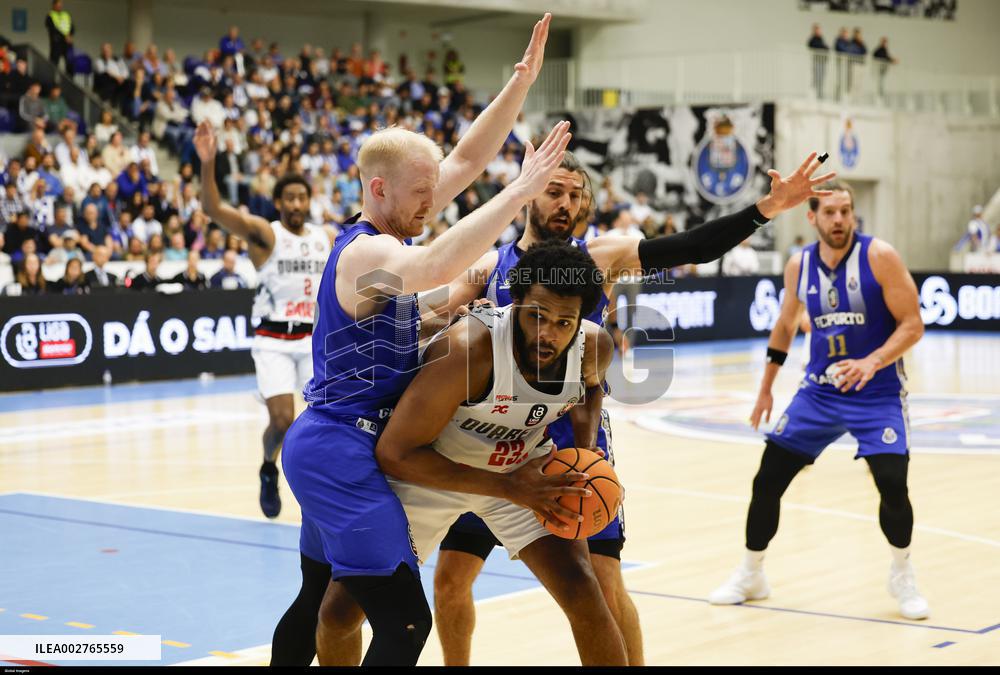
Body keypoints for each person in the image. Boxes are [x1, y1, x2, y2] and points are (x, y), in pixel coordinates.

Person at [422, 150, 835, 667]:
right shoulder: (489, 265)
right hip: (489, 439)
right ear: (529, 193)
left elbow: (692, 246)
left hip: (571, 437)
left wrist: (766, 208)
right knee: (451, 579)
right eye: (554, 192)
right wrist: (449, 319)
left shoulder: (600, 256)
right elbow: (428, 322)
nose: (565, 204)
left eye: (576, 196)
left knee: (602, 584)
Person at [268, 14, 563, 667]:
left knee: (318, 598)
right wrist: (520, 190)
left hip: (338, 442)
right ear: (378, 188)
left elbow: (463, 159)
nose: (434, 203)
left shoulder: (395, 226)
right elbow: (432, 267)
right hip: (340, 445)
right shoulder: (366, 252)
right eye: (422, 194)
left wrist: (521, 81)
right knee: (404, 619)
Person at [363, 242, 624, 665]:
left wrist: (587, 449)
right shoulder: (470, 349)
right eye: (536, 316)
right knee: (344, 609)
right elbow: (394, 453)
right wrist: (508, 487)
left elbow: (590, 388)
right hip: (432, 472)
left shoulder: (593, 347)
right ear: (515, 301)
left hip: (522, 471)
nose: (547, 333)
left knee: (585, 593)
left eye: (564, 322)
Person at [708, 180, 929, 620]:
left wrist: (873, 361)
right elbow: (785, 326)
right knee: (767, 480)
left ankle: (902, 573)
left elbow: (913, 324)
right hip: (820, 392)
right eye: (830, 213)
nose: (840, 220)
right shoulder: (799, 265)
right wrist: (767, 386)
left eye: (846, 211)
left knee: (892, 484)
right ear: (812, 217)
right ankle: (752, 573)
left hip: (878, 392)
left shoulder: (879, 256)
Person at [45, 0, 74, 74]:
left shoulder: (66, 15)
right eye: (58, 4)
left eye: (61, 4)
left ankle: (70, 81)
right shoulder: (50, 15)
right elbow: (52, 29)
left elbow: (72, 26)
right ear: (54, 5)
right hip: (57, 43)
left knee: (70, 62)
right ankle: (52, 81)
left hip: (67, 43)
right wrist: (65, 36)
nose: (60, 6)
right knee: (53, 63)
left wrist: (70, 35)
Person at [808, 24, 829, 99]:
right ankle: (814, 94)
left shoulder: (821, 38)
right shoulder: (813, 39)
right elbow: (813, 45)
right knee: (816, 78)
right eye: (817, 30)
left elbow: (826, 47)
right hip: (817, 61)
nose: (819, 31)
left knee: (821, 78)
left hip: (822, 61)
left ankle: (820, 94)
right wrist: (823, 47)